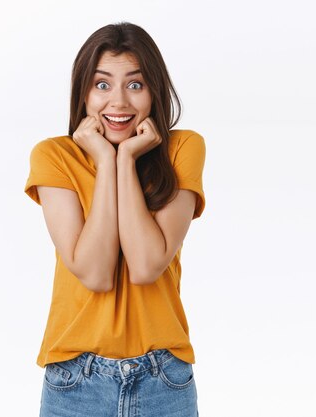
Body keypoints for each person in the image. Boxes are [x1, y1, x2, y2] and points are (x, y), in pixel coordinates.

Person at [24, 21, 205, 417]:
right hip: (75, 382)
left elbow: (145, 266)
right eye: (102, 85)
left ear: (154, 90)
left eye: (135, 85)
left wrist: (126, 158)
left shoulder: (183, 149)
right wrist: (105, 160)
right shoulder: (54, 157)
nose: (118, 102)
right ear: (84, 93)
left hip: (164, 380)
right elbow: (95, 273)